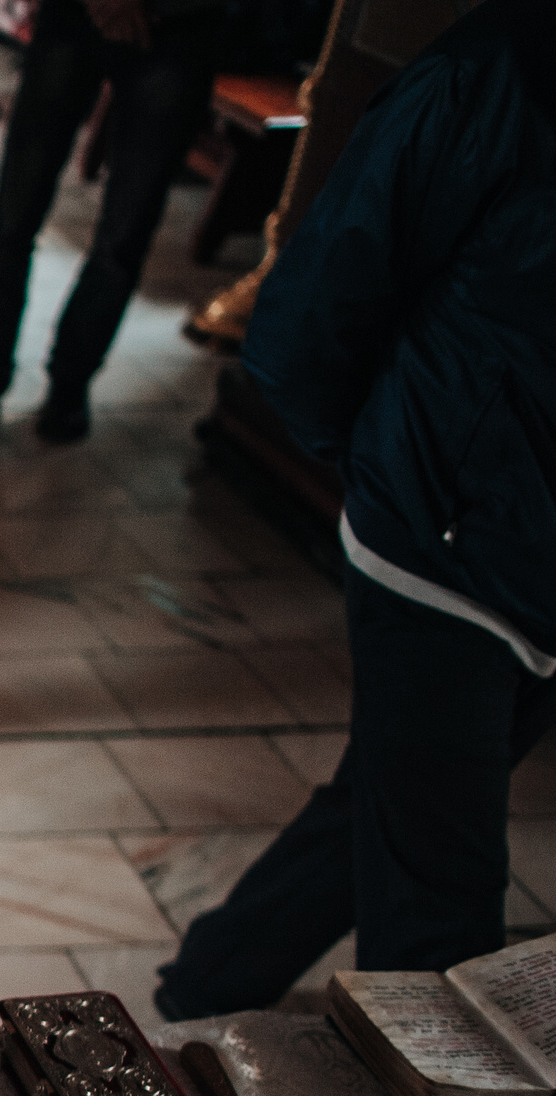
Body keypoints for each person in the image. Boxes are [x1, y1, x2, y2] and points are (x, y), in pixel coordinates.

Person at [154, 0, 556, 1020]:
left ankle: (212, 976)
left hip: (530, 554)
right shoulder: (493, 72)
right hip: (446, 547)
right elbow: (314, 303)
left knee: (393, 792)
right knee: (438, 920)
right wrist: (396, 470)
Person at [0, 0, 229, 458]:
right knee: (13, 217)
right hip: (77, 12)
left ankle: (70, 384)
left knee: (125, 233)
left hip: (176, 26)